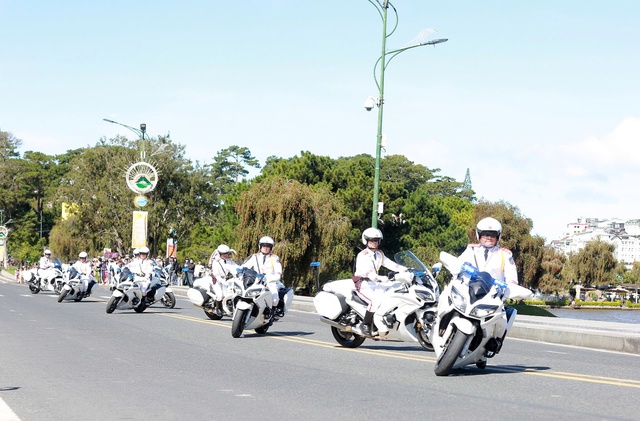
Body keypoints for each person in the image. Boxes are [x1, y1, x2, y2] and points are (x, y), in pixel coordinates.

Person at [353, 227, 408, 336]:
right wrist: (379, 277)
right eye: (372, 240)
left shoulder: (379, 254)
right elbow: (367, 272)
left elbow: (391, 264)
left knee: (392, 292)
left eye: (377, 240)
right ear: (366, 240)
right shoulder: (362, 255)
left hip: (375, 284)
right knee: (375, 301)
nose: (375, 243)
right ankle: (365, 324)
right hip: (363, 284)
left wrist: (405, 269)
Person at [457, 217, 518, 285]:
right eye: (486, 234)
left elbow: (512, 277)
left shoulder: (505, 255)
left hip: (494, 293)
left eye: (493, 234)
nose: (489, 238)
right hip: (470, 291)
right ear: (479, 235)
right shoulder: (471, 251)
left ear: (498, 236)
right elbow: (456, 266)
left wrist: (511, 286)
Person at [242, 236, 286, 317]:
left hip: (269, 282)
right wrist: (240, 269)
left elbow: (278, 271)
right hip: (255, 281)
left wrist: (273, 277)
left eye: (268, 247)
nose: (266, 248)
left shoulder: (274, 258)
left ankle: (271, 314)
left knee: (275, 298)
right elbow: (246, 266)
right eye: (264, 246)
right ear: (260, 247)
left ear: (271, 248)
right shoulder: (255, 257)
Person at [209, 244, 240, 316]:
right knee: (220, 295)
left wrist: (243, 269)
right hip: (217, 280)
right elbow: (216, 274)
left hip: (227, 280)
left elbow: (237, 267)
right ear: (220, 253)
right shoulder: (216, 262)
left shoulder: (230, 261)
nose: (225, 255)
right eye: (223, 254)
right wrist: (223, 281)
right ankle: (217, 308)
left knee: (229, 294)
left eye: (226, 253)